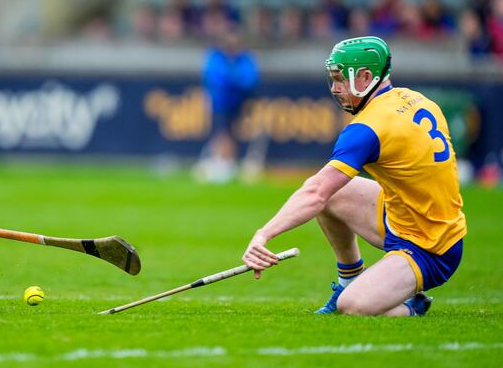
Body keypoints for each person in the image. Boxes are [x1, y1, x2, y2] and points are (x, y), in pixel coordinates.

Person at [242, 36, 466, 316]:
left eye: (340, 79)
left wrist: (264, 234)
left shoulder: (367, 127)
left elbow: (314, 193)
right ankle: (350, 279)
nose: (335, 89)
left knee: (352, 306)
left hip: (430, 246)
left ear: (364, 77)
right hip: (408, 216)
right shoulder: (416, 99)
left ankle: (411, 307)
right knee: (332, 191)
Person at [194, 30, 259, 183]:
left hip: (240, 104)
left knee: (234, 134)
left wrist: (232, 80)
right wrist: (234, 80)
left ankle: (228, 164)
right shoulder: (216, 57)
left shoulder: (245, 59)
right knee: (222, 133)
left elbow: (250, 79)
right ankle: (223, 164)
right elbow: (215, 78)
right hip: (220, 104)